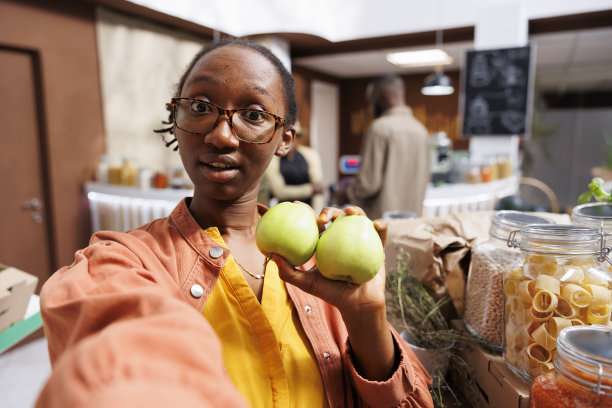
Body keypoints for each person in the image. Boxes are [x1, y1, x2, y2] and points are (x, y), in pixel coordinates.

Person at [37, 39, 433, 408]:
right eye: (201, 106)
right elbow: (115, 359)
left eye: (254, 115)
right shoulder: (125, 261)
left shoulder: (321, 264)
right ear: (175, 117)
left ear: (284, 139)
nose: (222, 135)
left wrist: (365, 316)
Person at [335, 74, 430, 219]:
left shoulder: (379, 128)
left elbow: (368, 183)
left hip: (381, 224)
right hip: (412, 222)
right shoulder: (421, 131)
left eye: (371, 100)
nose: (370, 107)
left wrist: (345, 193)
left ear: (382, 96)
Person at [264, 121, 325, 213]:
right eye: (284, 135)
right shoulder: (273, 159)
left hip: (308, 211)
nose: (291, 139)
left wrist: (317, 216)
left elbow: (318, 190)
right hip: (283, 212)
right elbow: (280, 192)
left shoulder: (310, 155)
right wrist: (310, 189)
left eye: (295, 136)